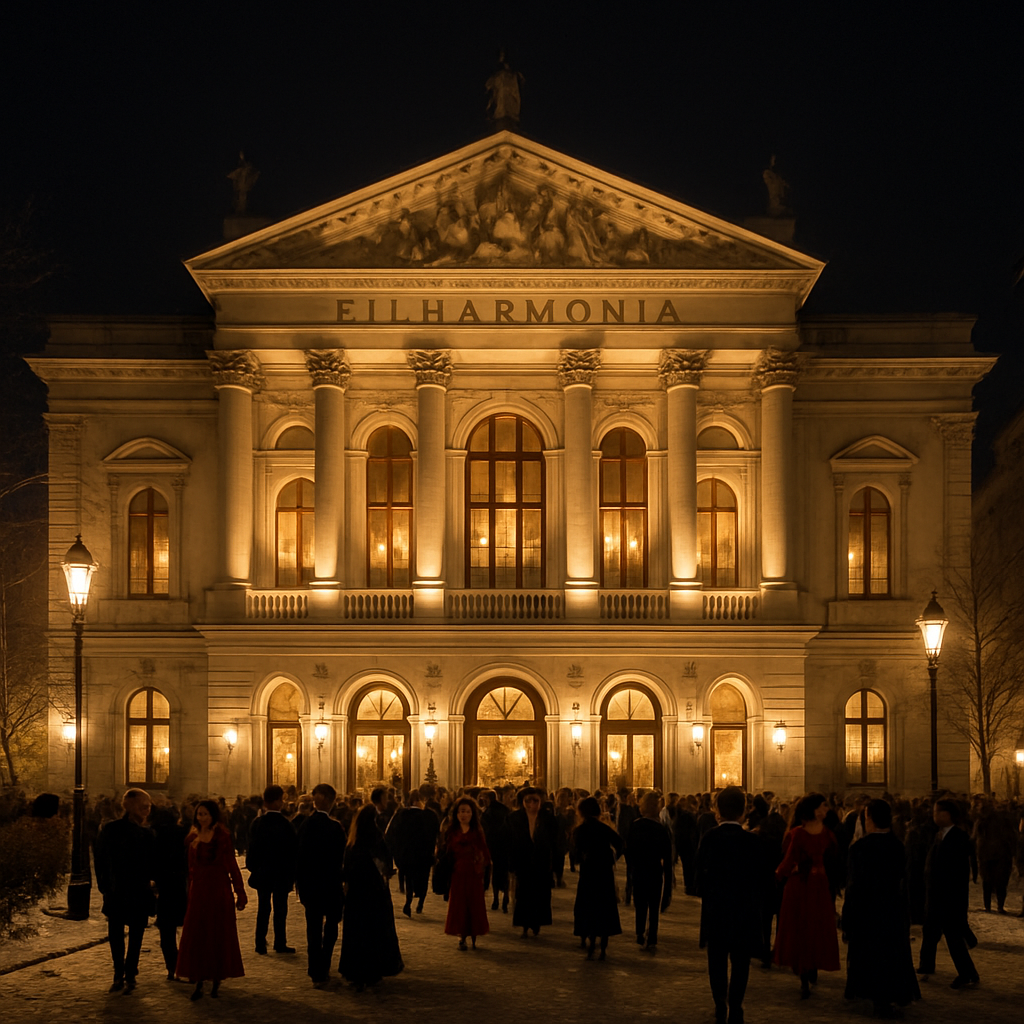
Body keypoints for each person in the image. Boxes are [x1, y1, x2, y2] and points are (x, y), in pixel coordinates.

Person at [842, 799, 920, 1016]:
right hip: (892, 909)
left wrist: (848, 918)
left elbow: (854, 885)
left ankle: (875, 995)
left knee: (870, 954)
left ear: (869, 818)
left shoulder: (860, 848)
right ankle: (891, 994)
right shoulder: (898, 846)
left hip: (867, 909)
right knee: (892, 953)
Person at [696, 787, 765, 1024]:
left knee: (716, 960)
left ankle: (719, 1003)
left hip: (716, 910)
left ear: (717, 810)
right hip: (744, 911)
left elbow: (698, 879)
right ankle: (736, 1005)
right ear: (743, 811)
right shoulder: (752, 841)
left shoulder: (710, 838)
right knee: (741, 961)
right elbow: (762, 878)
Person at [175, 799, 247, 1000]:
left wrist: (239, 891)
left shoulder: (222, 836)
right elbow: (190, 868)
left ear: (213, 815)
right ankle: (198, 979)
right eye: (199, 814)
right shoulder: (193, 836)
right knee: (198, 934)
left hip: (218, 889)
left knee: (217, 934)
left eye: (205, 814)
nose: (202, 818)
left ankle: (216, 978)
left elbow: (231, 864)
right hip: (199, 890)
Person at [773, 792, 840, 998]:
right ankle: (804, 972)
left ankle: (814, 965)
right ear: (813, 809)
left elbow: (835, 861)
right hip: (800, 887)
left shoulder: (829, 833)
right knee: (802, 927)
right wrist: (778, 876)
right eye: (823, 805)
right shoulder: (798, 834)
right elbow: (789, 859)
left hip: (819, 886)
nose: (826, 809)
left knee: (817, 926)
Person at [94, 788, 156, 994]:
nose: (147, 810)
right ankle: (120, 972)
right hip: (118, 889)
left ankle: (128, 972)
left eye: (148, 806)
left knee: (135, 934)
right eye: (143, 805)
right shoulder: (112, 830)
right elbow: (101, 858)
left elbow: (152, 864)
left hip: (136, 889)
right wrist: (104, 884)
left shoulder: (148, 833)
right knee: (118, 934)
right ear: (129, 806)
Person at [339, 805, 404, 990]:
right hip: (375, 893)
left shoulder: (354, 843)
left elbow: (348, 869)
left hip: (358, 895)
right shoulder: (376, 839)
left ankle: (356, 970)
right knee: (375, 932)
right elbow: (386, 864)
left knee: (357, 933)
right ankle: (374, 968)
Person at [917, 798, 979, 988]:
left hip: (949, 897)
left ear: (947, 815)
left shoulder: (958, 838)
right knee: (930, 932)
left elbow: (956, 873)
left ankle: (968, 974)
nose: (933, 816)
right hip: (936, 895)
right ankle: (926, 966)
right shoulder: (939, 835)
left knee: (953, 937)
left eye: (937, 812)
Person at [295, 782, 345, 987]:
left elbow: (299, 857)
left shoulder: (306, 825)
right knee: (331, 926)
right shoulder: (335, 828)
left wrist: (300, 883)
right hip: (331, 884)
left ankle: (314, 968)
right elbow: (342, 858)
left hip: (310, 885)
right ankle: (323, 964)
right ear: (329, 801)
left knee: (313, 929)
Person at [246, 784, 298, 954]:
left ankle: (260, 943)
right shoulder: (285, 824)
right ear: (276, 801)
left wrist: (254, 867)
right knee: (280, 909)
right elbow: (292, 851)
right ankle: (280, 942)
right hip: (281, 873)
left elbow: (252, 848)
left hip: (263, 872)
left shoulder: (258, 823)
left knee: (263, 908)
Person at [572, 796, 624, 960]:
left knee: (588, 906)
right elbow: (621, 844)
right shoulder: (604, 828)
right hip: (604, 872)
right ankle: (603, 946)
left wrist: (582, 858)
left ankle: (589, 940)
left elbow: (575, 854)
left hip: (588, 872)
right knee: (604, 907)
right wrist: (612, 858)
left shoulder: (579, 830)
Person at [441, 796, 491, 949]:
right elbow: (446, 850)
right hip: (458, 872)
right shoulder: (451, 831)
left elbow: (485, 852)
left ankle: (474, 934)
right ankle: (461, 936)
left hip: (474, 873)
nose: (464, 814)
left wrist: (482, 865)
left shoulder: (477, 831)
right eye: (462, 811)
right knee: (459, 905)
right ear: (456, 813)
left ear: (472, 814)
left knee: (475, 905)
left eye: (467, 811)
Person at [625, 791, 673, 950]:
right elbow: (667, 857)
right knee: (653, 907)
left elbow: (629, 850)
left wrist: (630, 870)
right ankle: (652, 936)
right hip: (654, 870)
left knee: (640, 904)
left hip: (639, 870)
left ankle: (639, 932)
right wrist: (668, 881)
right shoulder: (661, 829)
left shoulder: (636, 825)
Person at [507, 787, 555, 937]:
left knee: (540, 894)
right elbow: (507, 840)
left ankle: (537, 922)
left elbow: (555, 840)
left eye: (535, 800)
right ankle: (524, 925)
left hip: (542, 862)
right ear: (522, 802)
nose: (532, 804)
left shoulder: (548, 818)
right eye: (528, 800)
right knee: (523, 895)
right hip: (522, 861)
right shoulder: (514, 818)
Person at [386, 783, 440, 917]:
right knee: (423, 878)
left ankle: (408, 901)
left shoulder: (402, 814)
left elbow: (392, 833)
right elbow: (435, 834)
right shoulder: (429, 816)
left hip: (406, 854)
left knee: (408, 878)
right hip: (424, 854)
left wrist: (395, 850)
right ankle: (420, 901)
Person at [150, 802, 189, 980]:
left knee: (167, 931)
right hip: (181, 885)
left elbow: (152, 862)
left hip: (164, 887)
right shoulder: (183, 833)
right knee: (187, 928)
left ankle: (172, 967)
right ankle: (186, 966)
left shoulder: (154, 835)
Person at [480, 787, 511, 912]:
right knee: (504, 873)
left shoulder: (488, 812)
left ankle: (497, 898)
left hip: (493, 845)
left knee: (494, 872)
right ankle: (505, 897)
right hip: (505, 846)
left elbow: (485, 829)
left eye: (485, 798)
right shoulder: (505, 810)